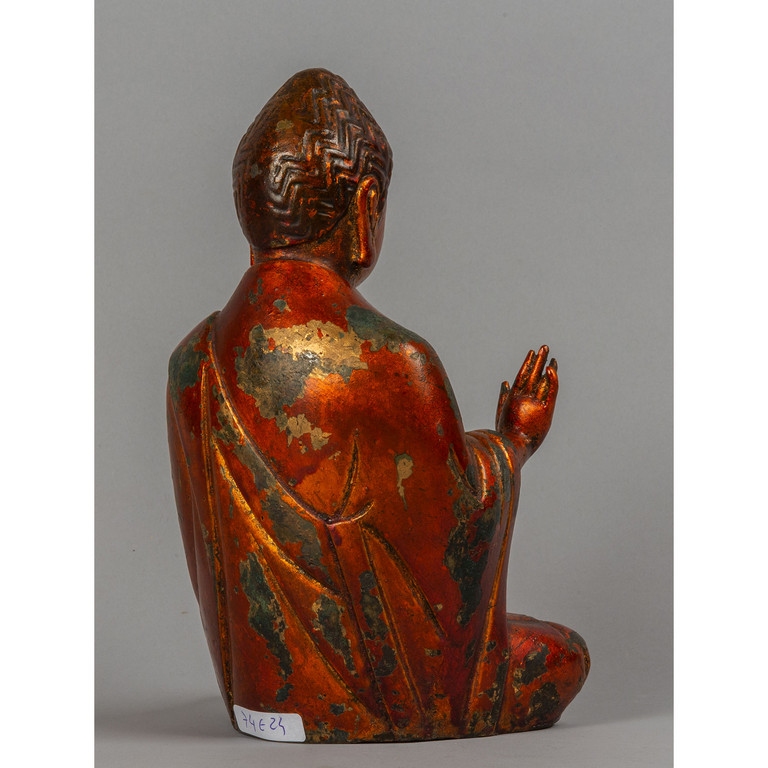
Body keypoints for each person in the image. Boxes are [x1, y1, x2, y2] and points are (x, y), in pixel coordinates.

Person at [167, 68, 589, 743]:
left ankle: (273, 705)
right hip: (388, 692)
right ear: (365, 210)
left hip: (261, 691)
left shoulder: (192, 364)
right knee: (564, 656)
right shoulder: (396, 361)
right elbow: (452, 545)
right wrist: (514, 443)